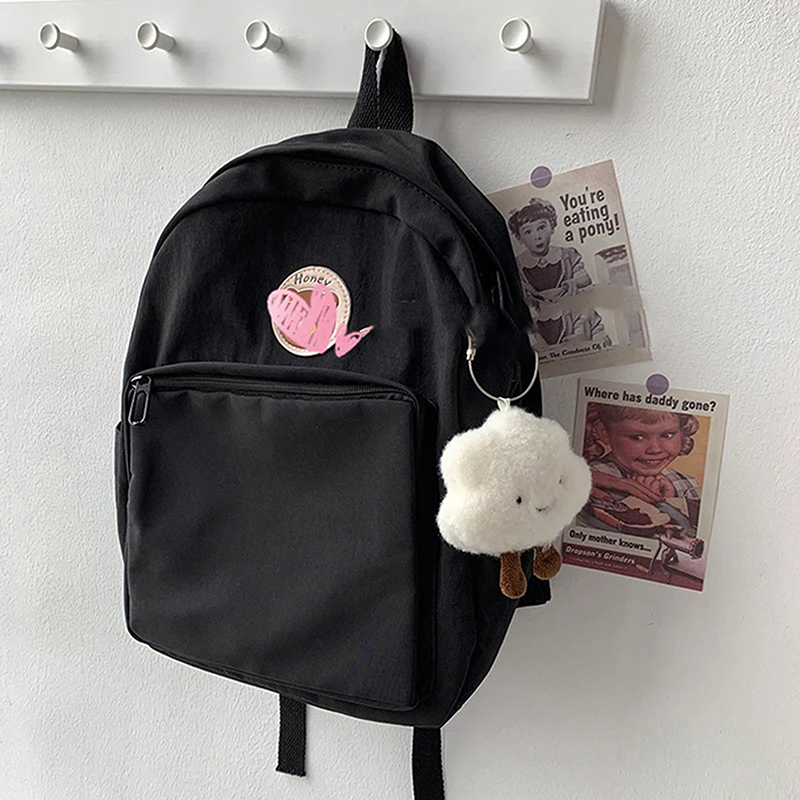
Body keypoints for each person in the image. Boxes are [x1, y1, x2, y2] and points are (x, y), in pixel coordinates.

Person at [583, 404, 701, 504]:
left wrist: (671, 502)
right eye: (637, 437)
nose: (655, 449)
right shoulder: (591, 477)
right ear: (604, 433)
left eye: (667, 435)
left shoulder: (685, 482)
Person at [507, 198, 592, 308]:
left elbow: (585, 279)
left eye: (541, 228)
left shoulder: (568, 255)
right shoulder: (517, 265)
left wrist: (573, 283)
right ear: (519, 238)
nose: (537, 236)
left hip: (570, 309)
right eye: (528, 232)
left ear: (552, 227)